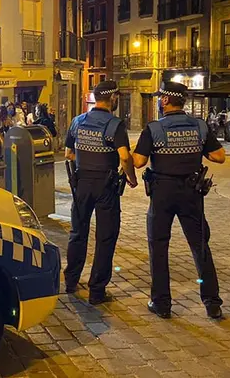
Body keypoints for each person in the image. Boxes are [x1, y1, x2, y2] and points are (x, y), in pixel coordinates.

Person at [132, 81, 226, 320]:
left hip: (162, 193)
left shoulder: (153, 129)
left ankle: (162, 303)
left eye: (159, 98)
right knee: (200, 247)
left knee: (159, 246)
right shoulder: (199, 126)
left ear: (165, 101)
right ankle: (212, 302)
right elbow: (219, 156)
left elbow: (139, 161)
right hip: (191, 193)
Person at [64, 81, 138, 305]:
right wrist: (131, 178)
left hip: (82, 184)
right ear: (113, 97)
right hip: (106, 185)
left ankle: (70, 280)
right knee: (105, 237)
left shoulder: (77, 121)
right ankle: (97, 290)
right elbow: (124, 157)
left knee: (78, 232)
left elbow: (69, 154)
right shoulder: (115, 124)